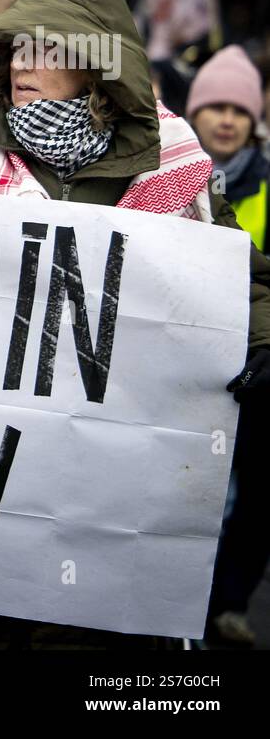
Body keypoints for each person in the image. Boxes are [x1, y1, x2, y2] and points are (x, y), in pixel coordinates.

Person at [0, 0, 270, 649]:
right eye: (16, 49)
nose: (23, 65)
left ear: (93, 66)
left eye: (45, 51)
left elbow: (240, 274)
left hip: (113, 477)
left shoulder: (174, 160)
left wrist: (259, 338)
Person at [184, 45, 270, 647]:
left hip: (259, 371)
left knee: (253, 496)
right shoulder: (168, 180)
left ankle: (225, 603)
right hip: (188, 371)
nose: (226, 119)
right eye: (213, 105)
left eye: (238, 109)